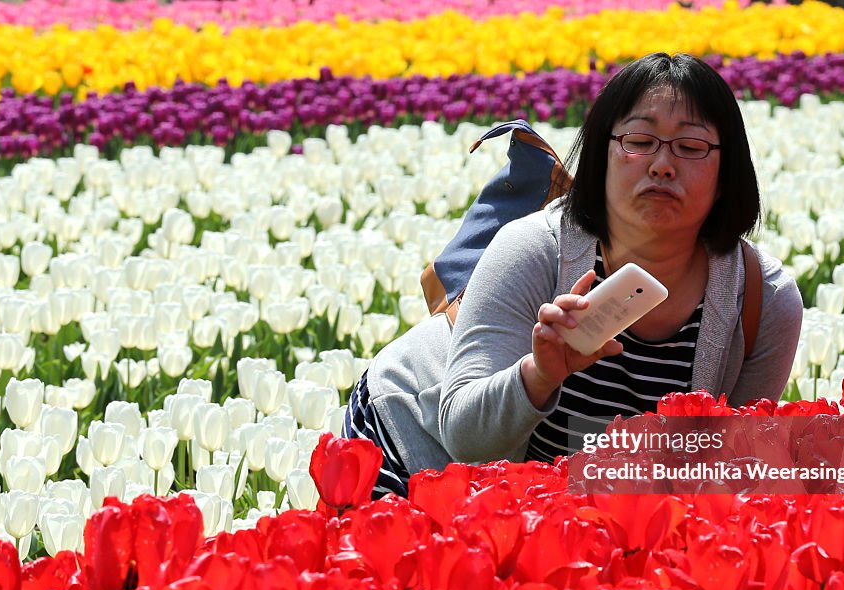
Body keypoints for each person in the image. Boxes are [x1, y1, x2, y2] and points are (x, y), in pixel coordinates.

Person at [342, 52, 804, 496]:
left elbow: (725, 471)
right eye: (639, 142)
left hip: (565, 498)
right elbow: (465, 437)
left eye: (691, 146)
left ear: (727, 173)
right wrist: (539, 374)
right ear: (601, 156)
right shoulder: (534, 249)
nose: (663, 165)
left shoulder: (762, 302)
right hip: (416, 445)